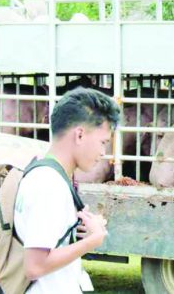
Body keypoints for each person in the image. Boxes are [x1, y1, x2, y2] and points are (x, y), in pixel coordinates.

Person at [14, 87, 120, 293]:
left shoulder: (45, 175)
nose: (103, 152)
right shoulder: (48, 184)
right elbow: (34, 266)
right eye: (102, 142)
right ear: (79, 135)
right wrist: (92, 241)